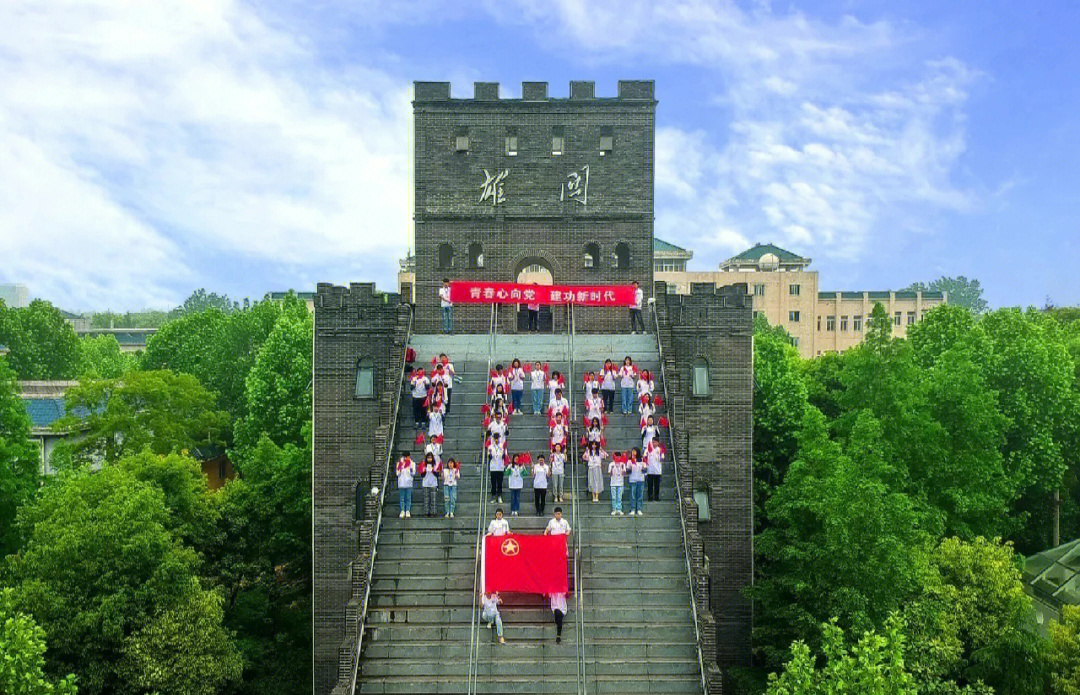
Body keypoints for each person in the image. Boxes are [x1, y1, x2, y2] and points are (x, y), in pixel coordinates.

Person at [488, 432, 507, 504]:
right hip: (493, 467)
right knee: (493, 483)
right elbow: (489, 457)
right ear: (493, 439)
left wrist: (503, 454)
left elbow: (505, 456)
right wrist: (489, 454)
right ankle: (493, 496)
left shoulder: (502, 446)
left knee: (499, 483)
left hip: (500, 467)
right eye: (495, 438)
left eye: (497, 438)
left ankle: (499, 496)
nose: (496, 440)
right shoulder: (490, 447)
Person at [420, 452, 441, 517]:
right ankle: (426, 512)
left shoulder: (435, 465)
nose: (429, 459)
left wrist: (433, 470)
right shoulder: (424, 465)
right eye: (428, 458)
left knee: (433, 499)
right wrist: (425, 471)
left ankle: (433, 512)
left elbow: (438, 475)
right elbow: (422, 475)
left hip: (433, 483)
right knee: (426, 499)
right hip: (426, 483)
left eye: (430, 457)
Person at [627, 448, 646, 516]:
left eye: (634, 451)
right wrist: (630, 469)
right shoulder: (630, 461)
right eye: (632, 451)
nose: (633, 452)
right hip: (633, 480)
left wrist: (644, 468)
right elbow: (628, 471)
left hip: (640, 479)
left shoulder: (642, 460)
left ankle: (639, 509)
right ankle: (632, 509)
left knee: (640, 495)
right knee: (632, 495)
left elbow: (644, 471)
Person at [395, 452, 415, 519]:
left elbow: (413, 473)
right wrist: (400, 467)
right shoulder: (399, 464)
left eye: (407, 457)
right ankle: (402, 510)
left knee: (408, 497)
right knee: (402, 498)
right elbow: (397, 474)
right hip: (402, 483)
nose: (406, 458)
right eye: (405, 457)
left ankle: (408, 511)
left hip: (409, 483)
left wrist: (410, 469)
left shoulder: (412, 463)